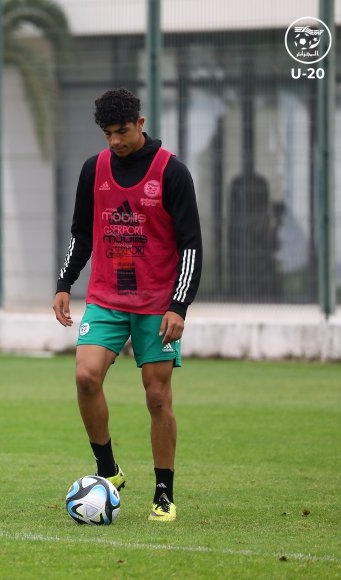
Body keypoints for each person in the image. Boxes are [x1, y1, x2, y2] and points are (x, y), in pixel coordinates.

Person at [53, 88, 202, 522]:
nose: (115, 141)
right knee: (85, 376)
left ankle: (163, 493)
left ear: (140, 123)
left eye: (122, 131)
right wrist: (65, 282)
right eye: (107, 133)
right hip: (105, 296)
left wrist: (179, 305)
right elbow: (82, 232)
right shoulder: (93, 170)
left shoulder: (172, 173)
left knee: (157, 397)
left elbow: (191, 245)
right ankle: (108, 471)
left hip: (157, 303)